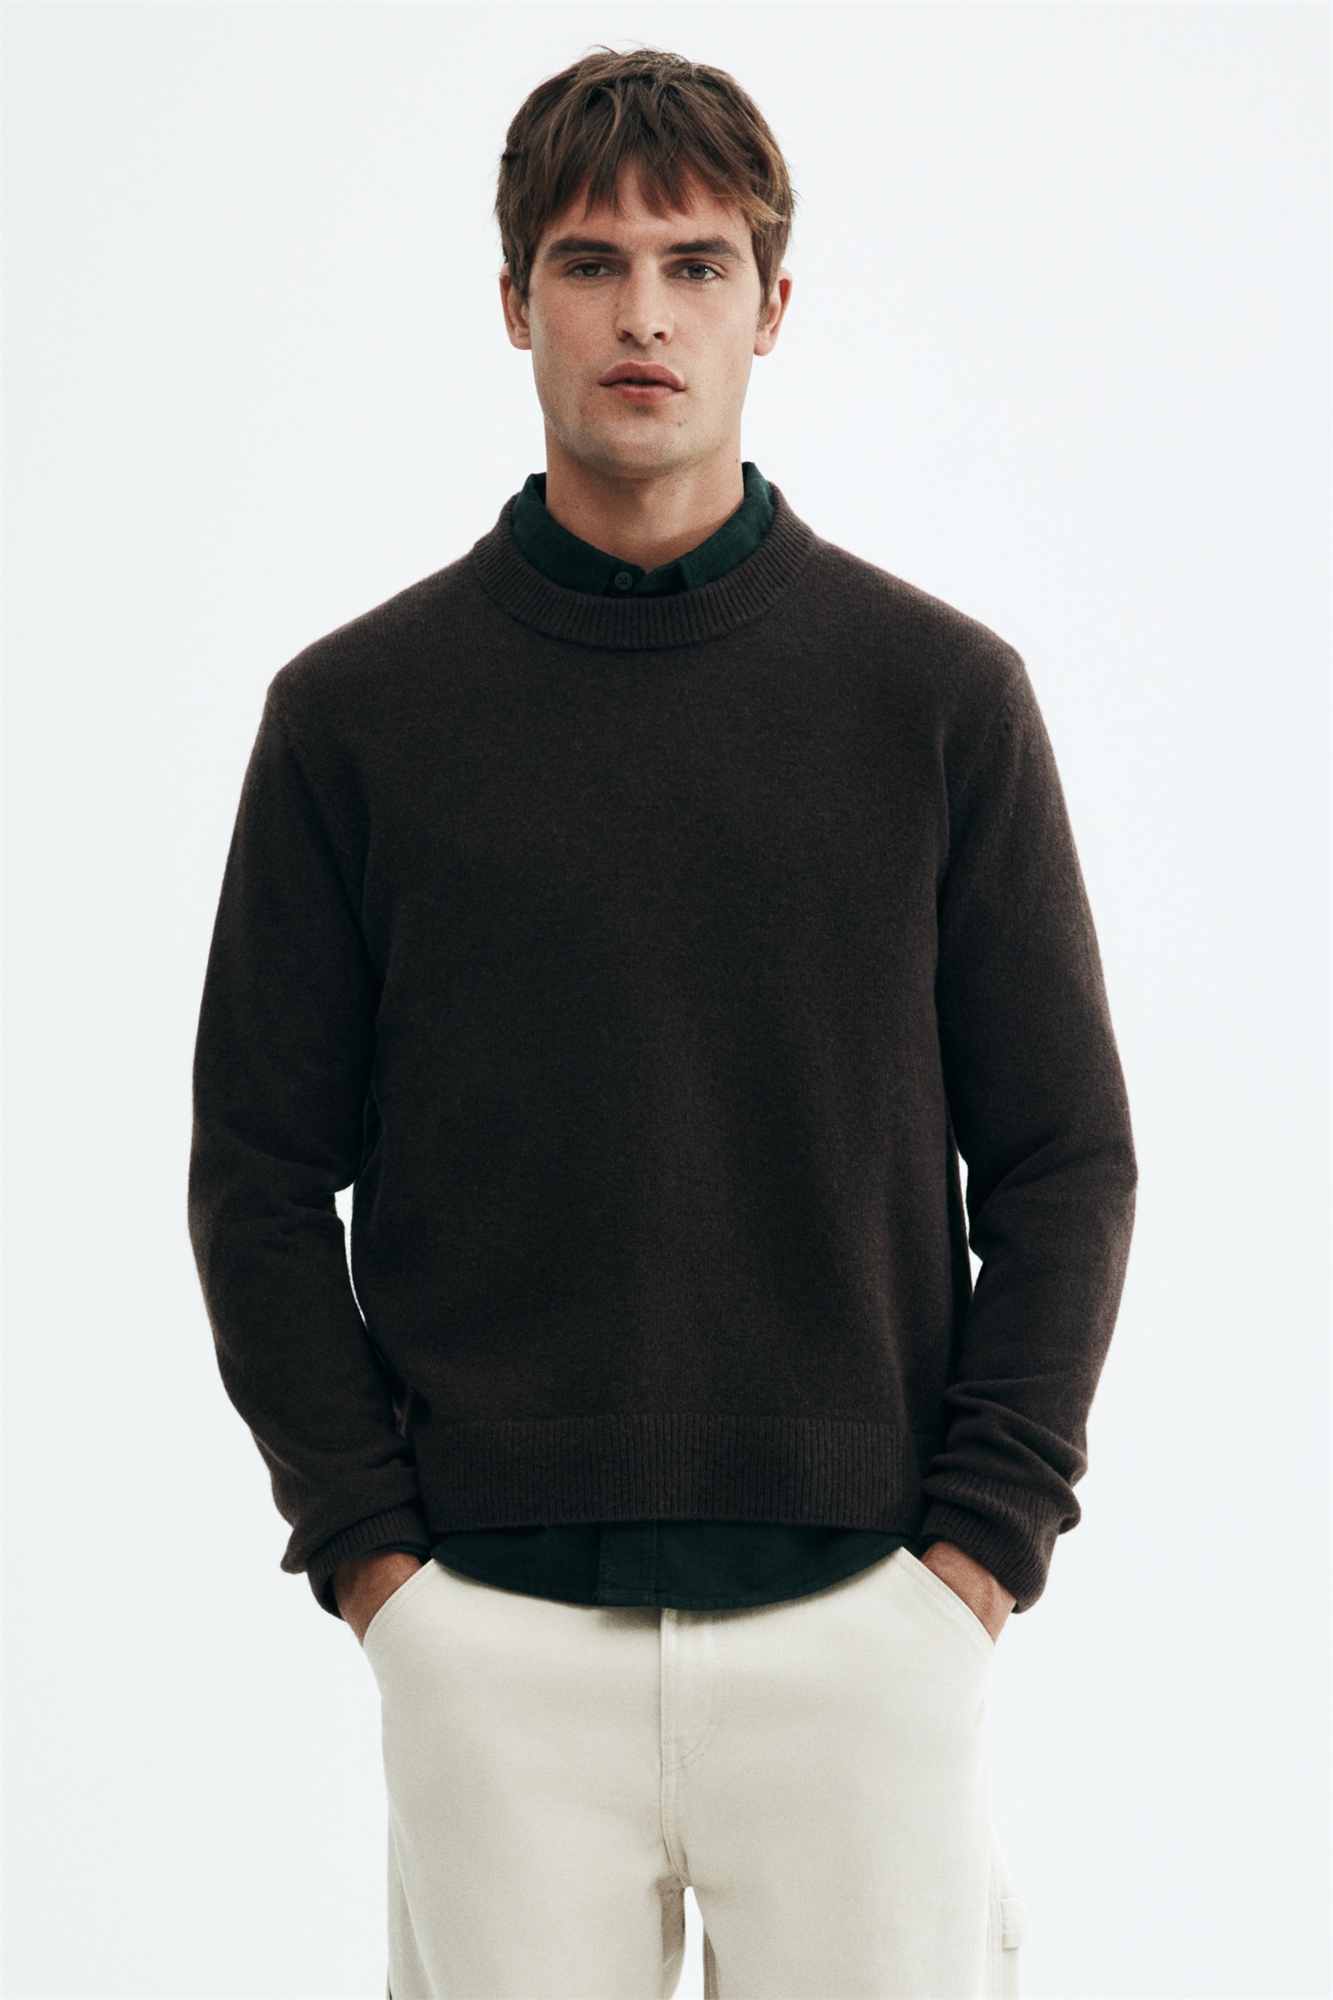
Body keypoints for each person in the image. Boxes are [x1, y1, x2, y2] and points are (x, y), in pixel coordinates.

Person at [188, 47, 1136, 2000]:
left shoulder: (935, 699)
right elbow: (260, 1180)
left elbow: (1064, 1159)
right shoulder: (355, 718)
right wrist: (377, 1569)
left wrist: (974, 1557)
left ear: (770, 306)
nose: (644, 314)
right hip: (490, 1638)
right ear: (512, 301)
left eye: (695, 264)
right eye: (590, 262)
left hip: (865, 1624)